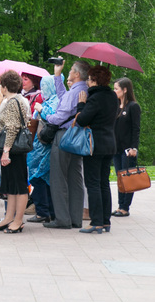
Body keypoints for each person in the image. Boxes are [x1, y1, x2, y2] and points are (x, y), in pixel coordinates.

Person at [35, 61, 89, 229]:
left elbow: (59, 116)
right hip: (77, 137)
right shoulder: (81, 90)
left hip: (64, 136)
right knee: (75, 177)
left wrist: (43, 112)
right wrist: (57, 75)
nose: (70, 72)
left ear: (77, 74)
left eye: (71, 70)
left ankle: (62, 219)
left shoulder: (75, 92)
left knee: (58, 178)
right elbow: (63, 97)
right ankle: (75, 218)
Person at [75, 66, 117, 233]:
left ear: (94, 80)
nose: (87, 82)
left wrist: (81, 105)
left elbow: (82, 120)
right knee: (104, 183)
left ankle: (96, 222)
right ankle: (105, 221)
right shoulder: (112, 96)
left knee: (92, 183)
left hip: (94, 145)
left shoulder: (95, 98)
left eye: (89, 79)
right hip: (110, 143)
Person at [0, 70, 31, 233]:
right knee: (12, 186)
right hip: (13, 148)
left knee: (19, 186)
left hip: (13, 149)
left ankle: (18, 220)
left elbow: (12, 127)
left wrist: (6, 151)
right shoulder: (18, 100)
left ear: (5, 86)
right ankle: (9, 218)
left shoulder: (13, 101)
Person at [26, 75, 61, 223]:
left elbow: (53, 119)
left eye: (45, 85)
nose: (43, 89)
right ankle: (47, 212)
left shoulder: (55, 101)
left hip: (44, 146)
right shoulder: (50, 100)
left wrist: (41, 110)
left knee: (40, 177)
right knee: (42, 178)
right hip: (39, 146)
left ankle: (44, 212)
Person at [112, 78, 141, 217]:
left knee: (127, 178)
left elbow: (136, 129)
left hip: (127, 149)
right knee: (119, 177)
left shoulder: (133, 107)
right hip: (116, 148)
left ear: (125, 90)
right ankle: (120, 205)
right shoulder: (116, 106)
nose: (114, 91)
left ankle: (125, 207)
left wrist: (134, 148)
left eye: (116, 88)